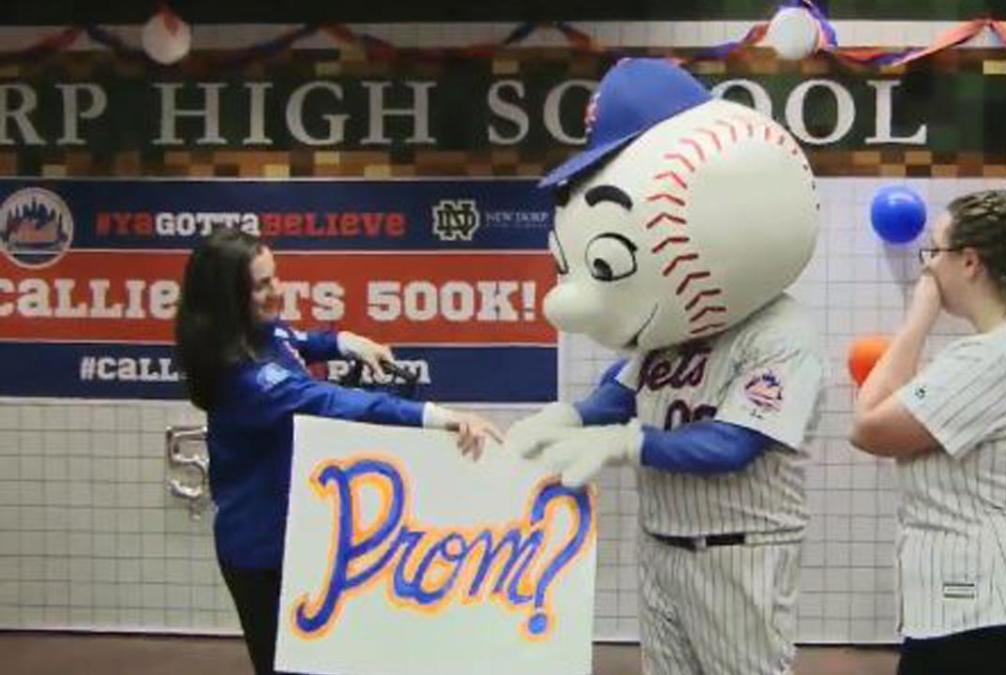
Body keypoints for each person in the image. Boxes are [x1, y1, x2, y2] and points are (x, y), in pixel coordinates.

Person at [506, 58, 824, 675]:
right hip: (661, 544)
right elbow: (616, 396)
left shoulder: (782, 334)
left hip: (739, 552)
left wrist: (625, 445)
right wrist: (565, 417)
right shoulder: (670, 331)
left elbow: (732, 444)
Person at [174, 228, 500, 675]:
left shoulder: (260, 333)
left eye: (276, 277)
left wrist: (345, 341)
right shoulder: (247, 380)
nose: (278, 291)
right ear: (231, 298)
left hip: (300, 532)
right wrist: (437, 416)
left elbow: (299, 340)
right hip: (261, 550)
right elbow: (340, 404)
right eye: (263, 285)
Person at [849, 190, 1006, 675]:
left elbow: (868, 426)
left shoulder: (991, 358)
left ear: (969, 262)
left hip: (986, 618)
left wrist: (919, 312)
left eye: (934, 253)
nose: (929, 269)